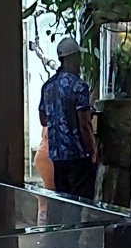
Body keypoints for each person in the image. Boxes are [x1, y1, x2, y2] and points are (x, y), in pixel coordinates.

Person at [39, 36, 99, 201]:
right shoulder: (79, 86)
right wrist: (92, 150)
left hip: (57, 157)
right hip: (78, 156)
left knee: (63, 203)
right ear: (73, 58)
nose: (80, 61)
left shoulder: (48, 86)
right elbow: (84, 124)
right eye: (78, 56)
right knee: (81, 203)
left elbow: (43, 119)